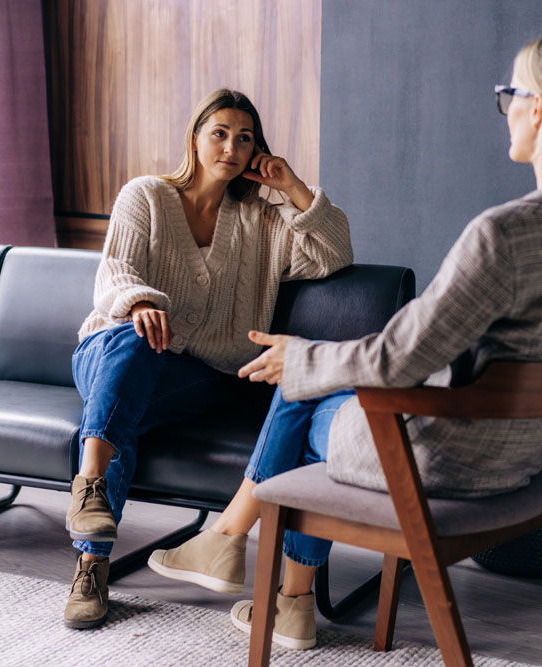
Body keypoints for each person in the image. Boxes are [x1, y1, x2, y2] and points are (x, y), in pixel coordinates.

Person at [149, 27, 542, 650]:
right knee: (315, 374)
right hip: (528, 459)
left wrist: (304, 358)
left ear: (540, 108)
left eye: (509, 95)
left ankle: (244, 558)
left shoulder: (507, 233)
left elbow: (400, 357)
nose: (506, 111)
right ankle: (275, 590)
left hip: (444, 459)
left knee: (302, 388)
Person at [64, 89, 353, 629]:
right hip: (109, 348)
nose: (231, 146)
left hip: (197, 376)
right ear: (195, 139)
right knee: (135, 344)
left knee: (125, 407)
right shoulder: (145, 195)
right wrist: (142, 302)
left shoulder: (263, 222)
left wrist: (292, 187)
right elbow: (113, 274)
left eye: (245, 138)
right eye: (219, 132)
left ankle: (90, 556)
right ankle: (92, 505)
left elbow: (334, 256)